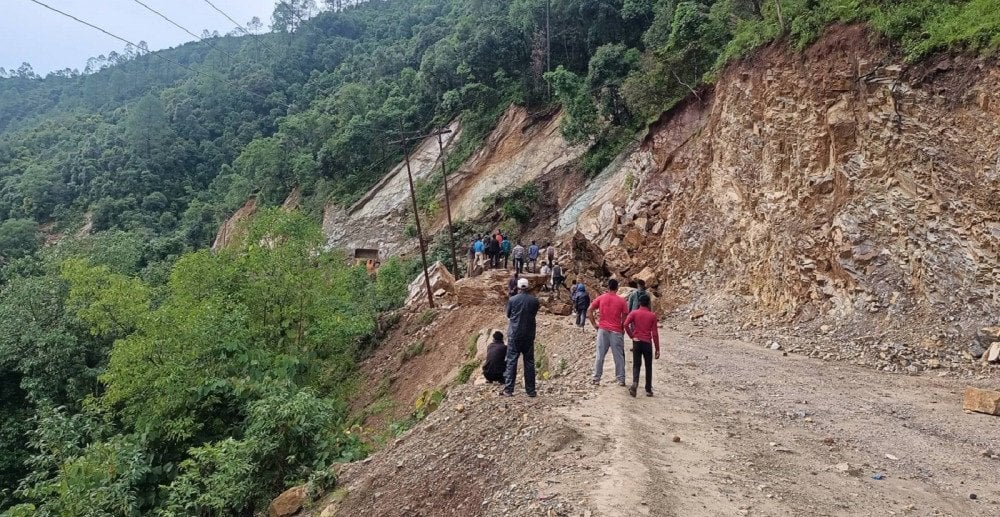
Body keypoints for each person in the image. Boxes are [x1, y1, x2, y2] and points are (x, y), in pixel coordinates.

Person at [502, 278, 540, 397]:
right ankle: (531, 390)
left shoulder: (512, 300)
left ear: (518, 287)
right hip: (529, 334)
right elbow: (534, 314)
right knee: (529, 362)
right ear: (528, 287)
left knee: (512, 361)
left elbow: (508, 314)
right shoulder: (534, 300)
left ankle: (509, 389)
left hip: (515, 334)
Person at [587, 279, 629, 386]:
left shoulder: (601, 298)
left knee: (600, 355)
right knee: (618, 356)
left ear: (608, 287)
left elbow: (589, 310)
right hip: (616, 330)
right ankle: (620, 379)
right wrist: (622, 329)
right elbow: (625, 317)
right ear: (617, 288)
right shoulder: (622, 301)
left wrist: (594, 324)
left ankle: (596, 378)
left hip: (603, 329)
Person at [624, 294, 659, 397]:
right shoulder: (652, 316)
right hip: (647, 343)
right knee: (648, 366)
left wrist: (631, 336)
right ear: (648, 303)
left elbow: (625, 324)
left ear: (639, 303)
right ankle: (648, 389)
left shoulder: (634, 313)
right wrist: (657, 349)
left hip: (637, 342)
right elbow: (655, 334)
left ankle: (635, 383)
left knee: (636, 365)